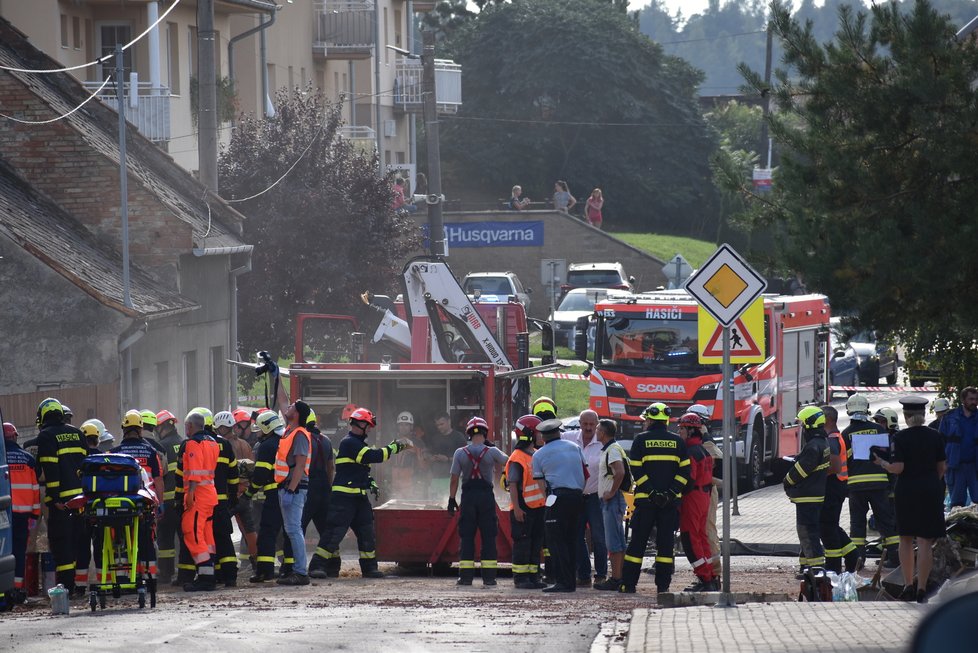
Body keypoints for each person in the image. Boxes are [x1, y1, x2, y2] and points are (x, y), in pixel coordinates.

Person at [307, 407, 410, 579]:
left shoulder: (358, 444)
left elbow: (358, 469)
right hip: (344, 499)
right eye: (368, 425)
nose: (370, 429)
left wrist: (370, 482)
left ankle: (369, 568)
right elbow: (373, 456)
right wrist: (395, 446)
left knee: (366, 532)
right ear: (360, 424)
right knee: (334, 533)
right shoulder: (349, 443)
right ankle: (317, 566)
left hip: (359, 497)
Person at [875, 396, 946, 603]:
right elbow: (942, 468)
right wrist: (930, 482)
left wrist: (882, 463)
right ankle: (922, 588)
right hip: (931, 489)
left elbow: (898, 468)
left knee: (905, 539)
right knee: (925, 542)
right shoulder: (935, 436)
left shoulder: (901, 438)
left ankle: (908, 585)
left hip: (907, 490)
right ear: (923, 416)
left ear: (906, 416)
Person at [619, 402, 690, 595]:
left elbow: (636, 470)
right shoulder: (678, 442)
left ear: (650, 420)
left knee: (637, 545)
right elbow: (684, 472)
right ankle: (663, 586)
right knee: (666, 546)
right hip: (669, 504)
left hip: (645, 502)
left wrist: (651, 493)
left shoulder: (640, 440)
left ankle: (628, 584)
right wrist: (668, 494)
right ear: (666, 420)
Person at [448, 417, 509, 586]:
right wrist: (506, 476)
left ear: (468, 433)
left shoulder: (460, 453)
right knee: (489, 537)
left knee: (466, 536)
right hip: (486, 497)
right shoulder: (492, 452)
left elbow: (454, 479)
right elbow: (511, 461)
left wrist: (452, 499)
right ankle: (489, 578)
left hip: (468, 497)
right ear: (485, 433)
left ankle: (465, 578)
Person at [35, 397, 87, 593]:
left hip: (62, 503)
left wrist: (55, 498)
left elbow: (51, 469)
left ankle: (67, 587)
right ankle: (81, 586)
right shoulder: (77, 433)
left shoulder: (47, 436)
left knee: (62, 544)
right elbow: (86, 465)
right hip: (82, 500)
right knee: (80, 542)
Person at [843, 394, 899, 567]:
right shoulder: (879, 430)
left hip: (856, 486)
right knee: (886, 523)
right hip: (880, 484)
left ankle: (858, 561)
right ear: (866, 409)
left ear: (848, 410)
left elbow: (843, 461)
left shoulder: (846, 434)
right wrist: (890, 483)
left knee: (857, 525)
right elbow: (888, 457)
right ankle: (895, 559)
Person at [532, 418, 587, 593]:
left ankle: (563, 582)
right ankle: (570, 581)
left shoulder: (539, 454)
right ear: (559, 432)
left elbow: (541, 485)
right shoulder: (575, 448)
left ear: (543, 437)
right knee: (572, 540)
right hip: (577, 498)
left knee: (556, 541)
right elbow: (586, 475)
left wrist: (549, 501)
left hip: (557, 499)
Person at [111, 410, 164, 587]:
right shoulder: (151, 452)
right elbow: (158, 480)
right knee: (146, 541)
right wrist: (160, 504)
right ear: (140, 430)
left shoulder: (115, 453)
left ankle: (123, 578)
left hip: (120, 506)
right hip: (145, 505)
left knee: (122, 541)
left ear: (123, 429)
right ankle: (149, 579)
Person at [562, 409, 607, 588]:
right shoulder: (569, 438)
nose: (588, 428)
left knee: (599, 537)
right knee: (576, 536)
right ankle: (583, 574)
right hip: (575, 497)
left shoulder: (603, 442)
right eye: (585, 424)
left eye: (592, 424)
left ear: (597, 424)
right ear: (579, 423)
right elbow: (548, 440)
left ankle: (602, 574)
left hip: (596, 497)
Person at [784, 406, 831, 575]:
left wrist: (787, 481)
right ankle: (806, 567)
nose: (801, 428)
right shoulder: (821, 443)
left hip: (808, 496)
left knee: (807, 533)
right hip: (814, 495)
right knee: (807, 532)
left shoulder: (813, 446)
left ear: (810, 425)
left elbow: (802, 470)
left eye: (803, 424)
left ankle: (817, 569)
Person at [271, 398, 313, 586]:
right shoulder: (290, 431)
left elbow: (300, 465)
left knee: (294, 530)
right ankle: (298, 571)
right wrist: (276, 377)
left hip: (293, 489)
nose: (286, 408)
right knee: (292, 529)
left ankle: (300, 572)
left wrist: (291, 490)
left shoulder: (300, 434)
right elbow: (282, 402)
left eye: (291, 407)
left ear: (296, 415)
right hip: (287, 488)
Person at [177, 410, 221, 592]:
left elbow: (194, 472)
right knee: (206, 535)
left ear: (190, 426)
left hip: (198, 497)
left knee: (192, 533)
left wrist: (189, 495)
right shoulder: (213, 443)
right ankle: (207, 572)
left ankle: (205, 577)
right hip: (210, 495)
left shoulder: (192, 443)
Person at [247, 410, 292, 583]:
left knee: (267, 531)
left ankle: (264, 571)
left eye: (259, 429)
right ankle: (289, 568)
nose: (256, 433)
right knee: (289, 531)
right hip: (290, 492)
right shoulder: (285, 441)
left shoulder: (266, 446)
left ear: (267, 429)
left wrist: (249, 493)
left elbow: (260, 476)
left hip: (273, 494)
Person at [676, 412, 717, 591]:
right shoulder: (703, 450)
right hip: (704, 496)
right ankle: (710, 576)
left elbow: (688, 479)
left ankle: (704, 578)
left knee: (690, 539)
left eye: (682, 429)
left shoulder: (690, 452)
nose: (679, 432)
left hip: (692, 497)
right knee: (701, 537)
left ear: (691, 430)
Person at [505, 415, 547, 589]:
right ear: (529, 433)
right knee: (523, 543)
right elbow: (513, 485)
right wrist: (516, 509)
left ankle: (533, 576)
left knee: (536, 543)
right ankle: (521, 578)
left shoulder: (536, 455)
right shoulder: (517, 458)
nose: (541, 436)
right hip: (523, 508)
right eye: (539, 432)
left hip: (538, 508)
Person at [819, 405, 858, 574]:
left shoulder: (832, 439)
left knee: (827, 529)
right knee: (831, 526)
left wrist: (814, 472)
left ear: (827, 420)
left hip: (833, 487)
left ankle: (833, 567)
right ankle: (852, 555)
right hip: (837, 487)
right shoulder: (836, 437)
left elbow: (834, 467)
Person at [4, 422, 40, 604]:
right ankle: (17, 589)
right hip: (23, 515)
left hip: (3, 512)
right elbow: (35, 489)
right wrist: (35, 514)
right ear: (16, 436)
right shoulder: (28, 459)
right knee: (18, 551)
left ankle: (4, 589)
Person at [687, 403, 722, 577]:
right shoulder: (700, 443)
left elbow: (715, 466)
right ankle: (709, 572)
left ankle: (714, 573)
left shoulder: (707, 444)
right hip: (701, 492)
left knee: (707, 531)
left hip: (706, 491)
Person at [594, 419, 629, 591]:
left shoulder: (612, 449)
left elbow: (620, 472)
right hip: (612, 500)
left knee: (613, 540)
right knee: (618, 540)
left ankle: (616, 578)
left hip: (612, 500)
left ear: (604, 433)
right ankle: (619, 576)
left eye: (598, 429)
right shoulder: (612, 448)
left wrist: (612, 492)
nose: (596, 431)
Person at [211, 411, 242, 586]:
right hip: (222, 502)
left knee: (210, 539)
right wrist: (233, 496)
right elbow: (233, 475)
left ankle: (215, 575)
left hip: (204, 502)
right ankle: (230, 577)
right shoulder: (226, 445)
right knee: (224, 539)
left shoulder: (196, 445)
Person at [154, 409, 184, 585]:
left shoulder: (161, 447)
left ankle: (166, 573)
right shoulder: (183, 443)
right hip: (182, 500)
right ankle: (185, 572)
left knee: (165, 538)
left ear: (163, 427)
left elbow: (160, 475)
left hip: (167, 500)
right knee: (183, 537)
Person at [228, 410, 258, 567]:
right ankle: (256, 562)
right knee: (249, 529)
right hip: (245, 493)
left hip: (230, 494)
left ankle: (226, 565)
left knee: (221, 529)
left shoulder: (224, 446)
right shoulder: (246, 444)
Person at [940, 387, 978, 508]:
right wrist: (942, 463)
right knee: (957, 504)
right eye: (971, 399)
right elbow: (940, 442)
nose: (974, 402)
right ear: (963, 400)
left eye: (976, 399)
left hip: (975, 467)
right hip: (956, 467)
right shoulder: (950, 418)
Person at [302, 409, 334, 550]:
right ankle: (333, 563)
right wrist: (328, 488)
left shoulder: (302, 439)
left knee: (299, 527)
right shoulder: (326, 440)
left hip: (307, 486)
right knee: (326, 529)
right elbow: (331, 467)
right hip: (323, 488)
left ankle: (295, 564)